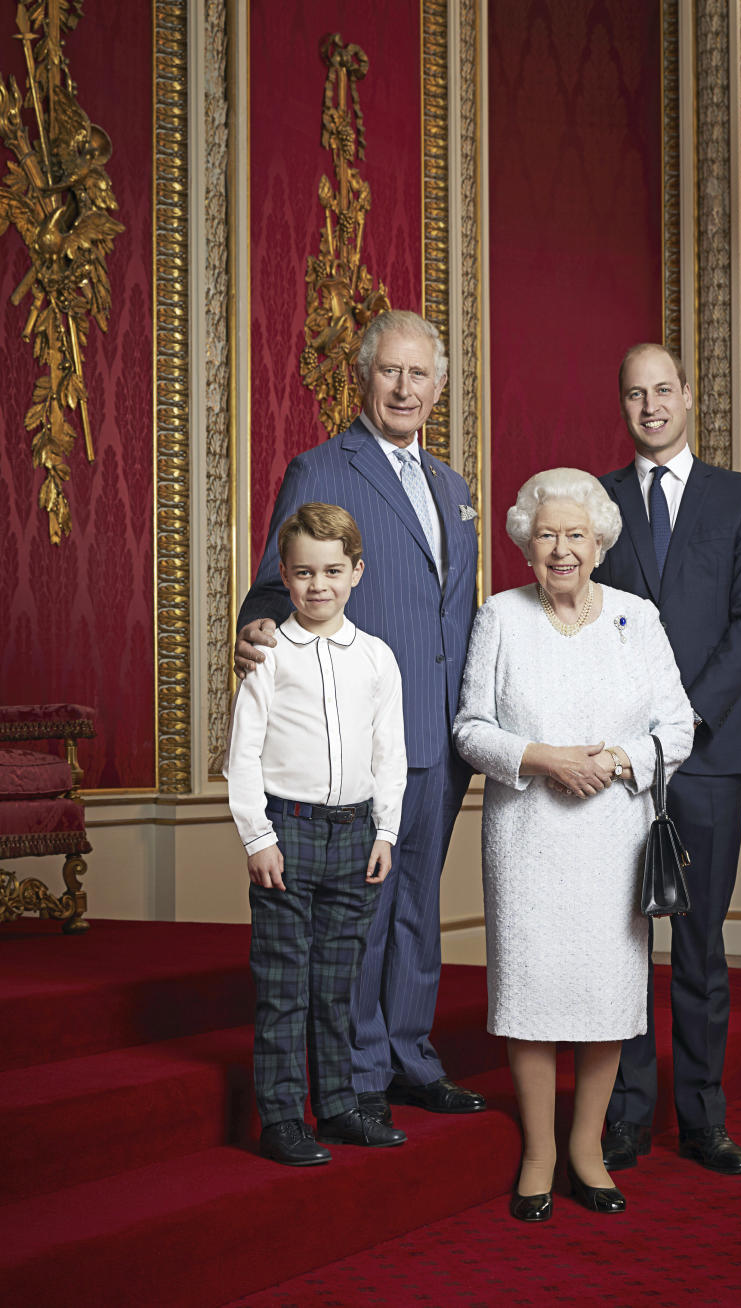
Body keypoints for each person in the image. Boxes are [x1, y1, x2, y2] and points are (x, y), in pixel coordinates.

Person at [234, 310, 485, 1124]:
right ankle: (356, 1073)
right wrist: (259, 624)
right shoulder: (322, 468)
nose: (406, 388)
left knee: (418, 905)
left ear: (438, 388)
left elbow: (455, 610)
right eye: (391, 372)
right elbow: (280, 576)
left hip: (443, 732)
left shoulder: (453, 486)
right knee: (363, 918)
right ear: (365, 377)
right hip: (362, 729)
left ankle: (411, 1053)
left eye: (420, 375)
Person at [453, 468, 694, 1221]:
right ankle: (539, 1151)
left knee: (606, 996)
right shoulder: (500, 616)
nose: (562, 550)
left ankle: (587, 1148)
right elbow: (470, 728)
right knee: (529, 991)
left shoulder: (637, 617)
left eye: (576, 536)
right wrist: (543, 759)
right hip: (527, 835)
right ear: (527, 542)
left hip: (613, 835)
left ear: (599, 543)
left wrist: (617, 762)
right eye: (548, 535)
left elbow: (677, 727)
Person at [595, 343, 741, 1176]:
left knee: (700, 944)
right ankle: (627, 1115)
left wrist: (686, 717)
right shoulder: (593, 503)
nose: (650, 406)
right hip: (621, 760)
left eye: (662, 390)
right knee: (625, 943)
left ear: (688, 398)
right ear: (624, 405)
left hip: (706, 754)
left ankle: (703, 1118)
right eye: (636, 394)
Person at [225, 503, 408, 1162]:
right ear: (285, 574)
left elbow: (391, 753)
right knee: (283, 984)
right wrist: (256, 837)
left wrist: (385, 831)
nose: (318, 585)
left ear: (356, 571)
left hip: (355, 835)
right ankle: (281, 1116)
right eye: (304, 573)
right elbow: (241, 755)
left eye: (333, 570)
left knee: (337, 984)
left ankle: (336, 1107)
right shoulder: (270, 655)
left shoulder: (378, 659)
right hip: (288, 832)